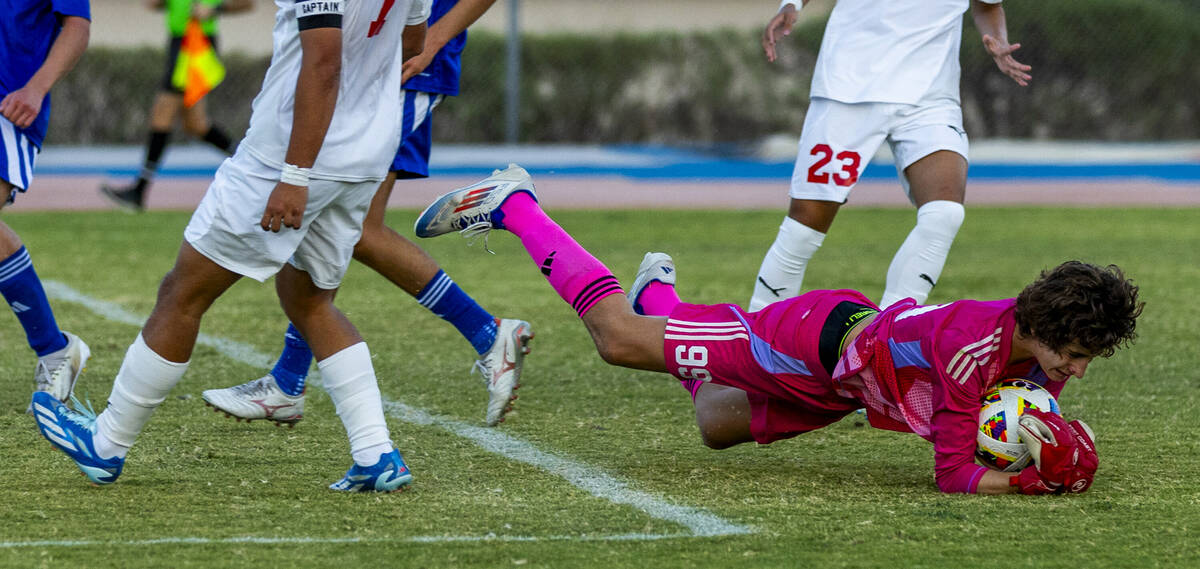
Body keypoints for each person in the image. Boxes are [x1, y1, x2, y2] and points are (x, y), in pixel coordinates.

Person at [412, 165, 1142, 494]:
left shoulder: (1033, 359)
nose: (1074, 373)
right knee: (617, 339)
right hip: (806, 339)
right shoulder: (968, 354)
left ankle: (661, 294)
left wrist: (1056, 447)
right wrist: (1028, 485)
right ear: (1042, 326)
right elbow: (954, 475)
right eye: (1074, 355)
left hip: (846, 382)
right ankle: (516, 205)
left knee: (713, 423)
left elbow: (1021, 420)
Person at [32, 0, 432, 492]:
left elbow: (324, 60)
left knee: (183, 293)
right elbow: (413, 43)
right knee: (309, 300)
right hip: (365, 154)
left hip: (291, 157)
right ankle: (376, 452)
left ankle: (106, 444)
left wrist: (295, 174)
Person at [200, 0, 529, 430]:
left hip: (404, 69)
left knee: (350, 226)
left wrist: (435, 36)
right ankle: (288, 382)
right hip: (376, 66)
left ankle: (487, 333)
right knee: (334, 222)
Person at [750, 0, 1032, 311]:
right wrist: (790, 4)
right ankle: (757, 335)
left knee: (944, 214)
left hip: (930, 99)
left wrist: (1000, 41)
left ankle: (884, 335)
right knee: (804, 228)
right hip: (849, 93)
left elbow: (988, 6)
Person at [2, 0, 92, 410]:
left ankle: (53, 349)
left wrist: (37, 87)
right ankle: (55, 350)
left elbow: (77, 25)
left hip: (9, 104)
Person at [98, 0, 253, 211]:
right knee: (195, 125)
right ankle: (251, 161)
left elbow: (247, 3)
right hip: (179, 42)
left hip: (196, 43)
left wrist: (214, 9)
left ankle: (140, 190)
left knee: (162, 113)